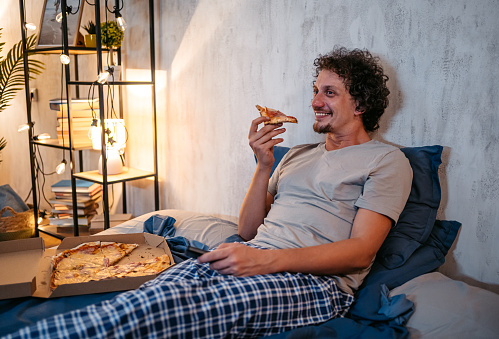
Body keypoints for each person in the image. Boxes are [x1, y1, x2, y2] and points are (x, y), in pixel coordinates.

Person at [5, 47, 412, 339]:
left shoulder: (385, 161)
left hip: (313, 282)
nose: (314, 101)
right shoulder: (298, 155)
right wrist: (264, 163)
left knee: (156, 315)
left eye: (329, 92)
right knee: (147, 294)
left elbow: (361, 251)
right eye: (316, 90)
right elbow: (250, 230)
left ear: (359, 103)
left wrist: (265, 261)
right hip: (252, 257)